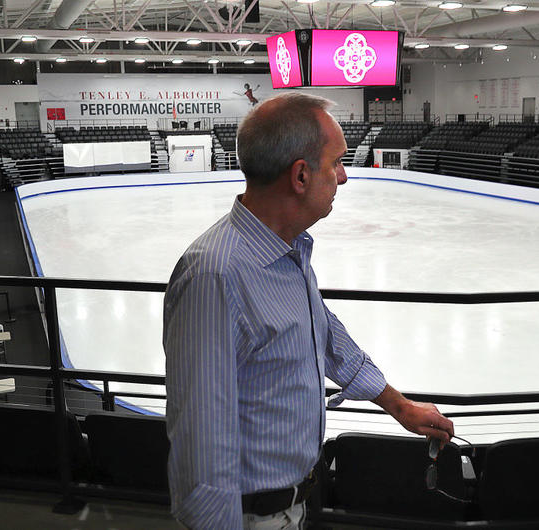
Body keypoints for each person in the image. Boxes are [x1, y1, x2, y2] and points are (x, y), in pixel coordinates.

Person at [163, 93, 455, 530]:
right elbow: (201, 452)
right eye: (337, 162)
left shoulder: (287, 251)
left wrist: (399, 406)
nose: (343, 176)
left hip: (295, 504)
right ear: (300, 175)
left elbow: (323, 331)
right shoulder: (215, 276)